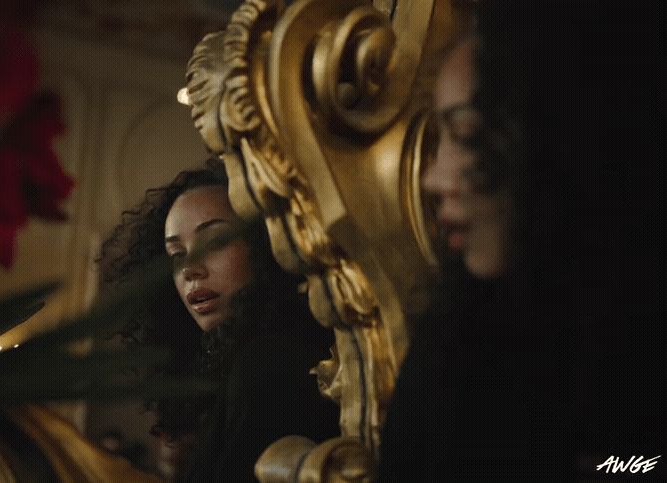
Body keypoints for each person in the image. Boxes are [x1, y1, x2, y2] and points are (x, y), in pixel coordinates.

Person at [379, 1, 667, 478]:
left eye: (466, 134)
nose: (432, 178)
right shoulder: (450, 359)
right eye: (439, 138)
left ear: (557, 137)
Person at [99, 160, 340, 481]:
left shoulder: (269, 363)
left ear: (267, 243)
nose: (189, 269)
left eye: (214, 241)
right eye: (176, 255)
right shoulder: (234, 370)